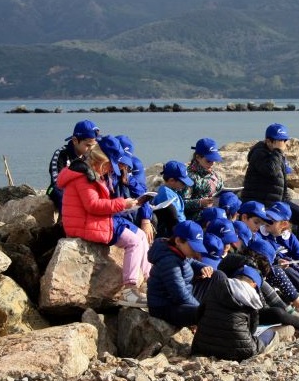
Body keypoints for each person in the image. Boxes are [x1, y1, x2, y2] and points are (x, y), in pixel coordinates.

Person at [57, 142, 151, 307]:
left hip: (92, 219)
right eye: (109, 166)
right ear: (100, 161)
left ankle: (148, 282)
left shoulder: (89, 172)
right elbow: (93, 205)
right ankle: (129, 290)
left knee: (142, 236)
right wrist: (123, 204)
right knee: (133, 242)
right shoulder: (83, 177)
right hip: (86, 223)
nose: (110, 170)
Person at [241, 123, 299, 250]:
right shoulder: (259, 154)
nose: (283, 144)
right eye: (279, 140)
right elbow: (271, 171)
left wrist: (285, 204)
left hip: (276, 203)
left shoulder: (276, 155)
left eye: (284, 140)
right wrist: (278, 150)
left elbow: (282, 183)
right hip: (261, 203)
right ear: (268, 141)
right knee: (274, 226)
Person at [190, 265, 279, 361]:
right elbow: (252, 329)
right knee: (271, 333)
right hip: (240, 351)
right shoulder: (251, 297)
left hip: (203, 346)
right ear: (254, 284)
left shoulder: (216, 286)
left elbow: (199, 313)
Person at [147, 220, 213, 327]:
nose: (196, 251)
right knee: (203, 314)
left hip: (182, 297)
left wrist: (204, 267)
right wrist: (200, 307)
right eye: (193, 247)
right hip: (165, 306)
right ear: (178, 241)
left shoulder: (179, 251)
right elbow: (180, 295)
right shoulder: (169, 262)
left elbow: (191, 262)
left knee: (217, 276)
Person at [47, 119, 100, 211]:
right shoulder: (61, 154)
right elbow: (57, 181)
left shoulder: (91, 155)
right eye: (88, 145)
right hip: (61, 188)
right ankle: (66, 219)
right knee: (56, 190)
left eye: (93, 145)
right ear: (75, 140)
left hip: (81, 188)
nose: (91, 149)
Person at [184, 138, 225, 221]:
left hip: (215, 213)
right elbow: (182, 203)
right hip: (197, 219)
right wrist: (200, 202)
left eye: (214, 160)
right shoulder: (189, 176)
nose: (212, 163)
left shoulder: (213, 174)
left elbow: (220, 190)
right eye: (208, 161)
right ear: (198, 157)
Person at [152, 160, 193, 236]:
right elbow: (174, 217)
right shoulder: (166, 194)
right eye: (183, 183)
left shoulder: (173, 191)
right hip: (172, 233)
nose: (185, 185)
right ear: (171, 180)